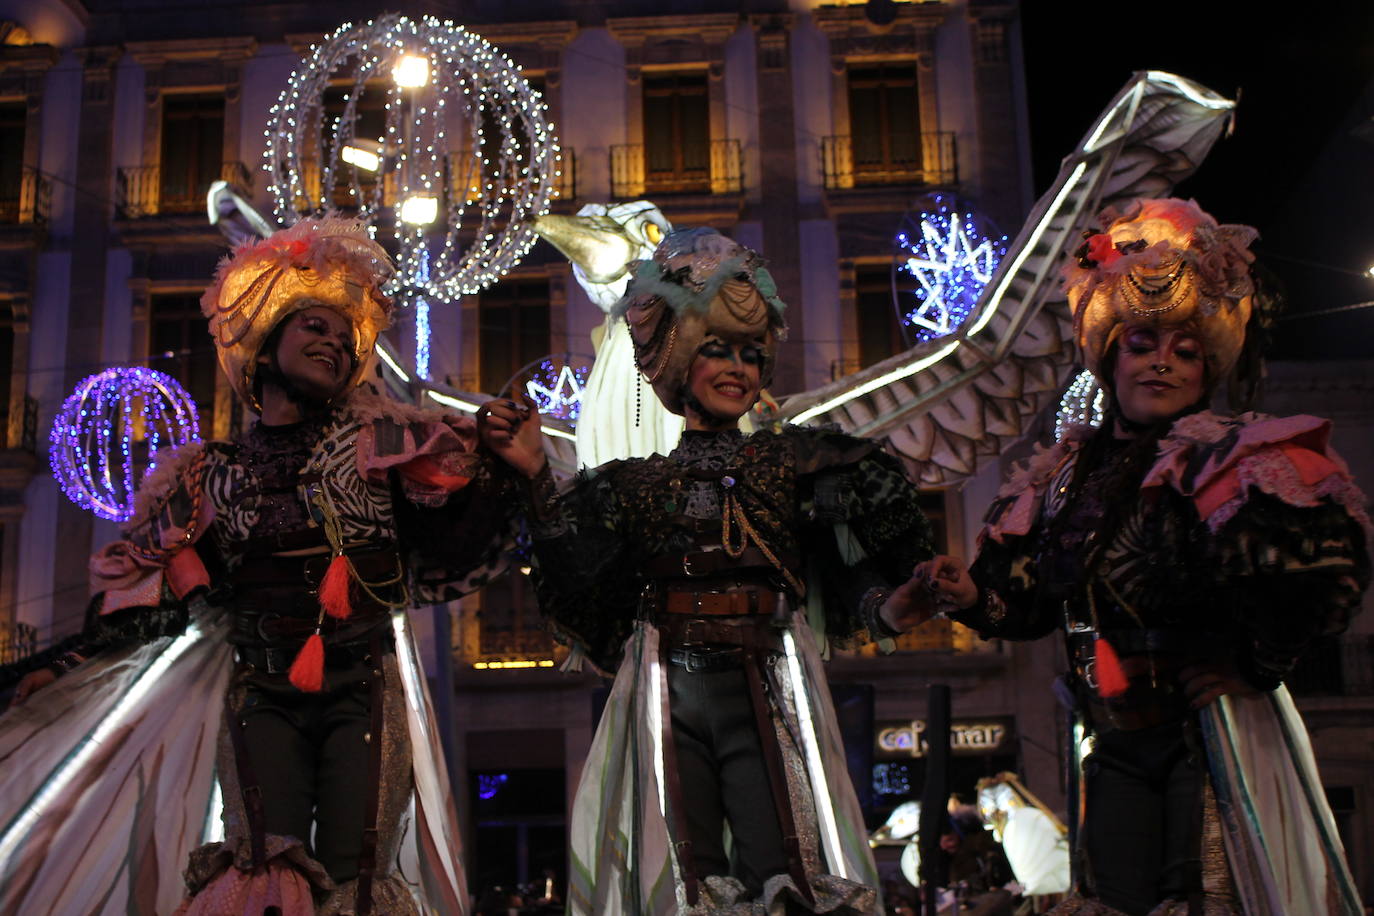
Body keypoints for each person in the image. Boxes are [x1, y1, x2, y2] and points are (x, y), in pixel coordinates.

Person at [7, 218, 512, 914]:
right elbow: (159, 603)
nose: (334, 343)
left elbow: (453, 549)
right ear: (264, 342)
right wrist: (63, 667)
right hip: (261, 695)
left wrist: (508, 475)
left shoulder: (386, 446)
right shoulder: (208, 479)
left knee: (355, 874)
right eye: (313, 326)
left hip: (362, 688)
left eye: (344, 337)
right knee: (259, 869)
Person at [919, 199, 1369, 915]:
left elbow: (1324, 572)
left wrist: (1252, 666)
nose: (1163, 361)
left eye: (1185, 350)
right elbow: (1031, 597)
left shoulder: (1236, 460)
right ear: (1109, 356)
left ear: (1206, 366)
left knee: (1211, 898)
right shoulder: (1066, 477)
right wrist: (970, 597)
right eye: (1142, 343)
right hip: (1115, 743)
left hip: (1210, 737)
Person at [483, 228, 940, 914]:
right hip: (666, 692)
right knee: (683, 874)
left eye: (750, 355)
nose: (737, 368)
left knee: (779, 861)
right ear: (677, 363)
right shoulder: (630, 487)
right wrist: (532, 477)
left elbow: (848, 566)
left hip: (762, 683)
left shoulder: (796, 465)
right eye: (716, 351)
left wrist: (897, 602)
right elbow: (578, 580)